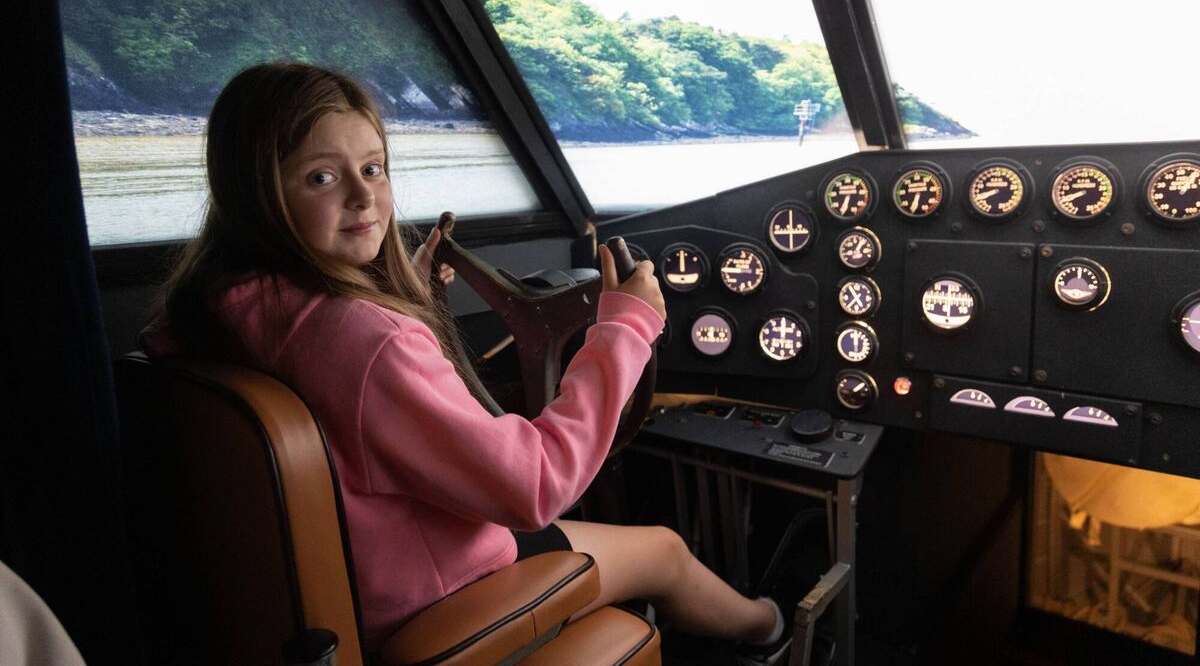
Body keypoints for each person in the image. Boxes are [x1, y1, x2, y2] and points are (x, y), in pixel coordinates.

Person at [141, 62, 790, 664]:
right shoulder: (369, 342)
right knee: (665, 551)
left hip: (349, 593)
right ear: (260, 193)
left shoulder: (207, 314)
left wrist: (403, 301)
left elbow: (350, 392)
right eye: (322, 178)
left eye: (373, 168)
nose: (364, 198)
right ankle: (771, 631)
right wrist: (625, 327)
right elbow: (536, 486)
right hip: (439, 592)